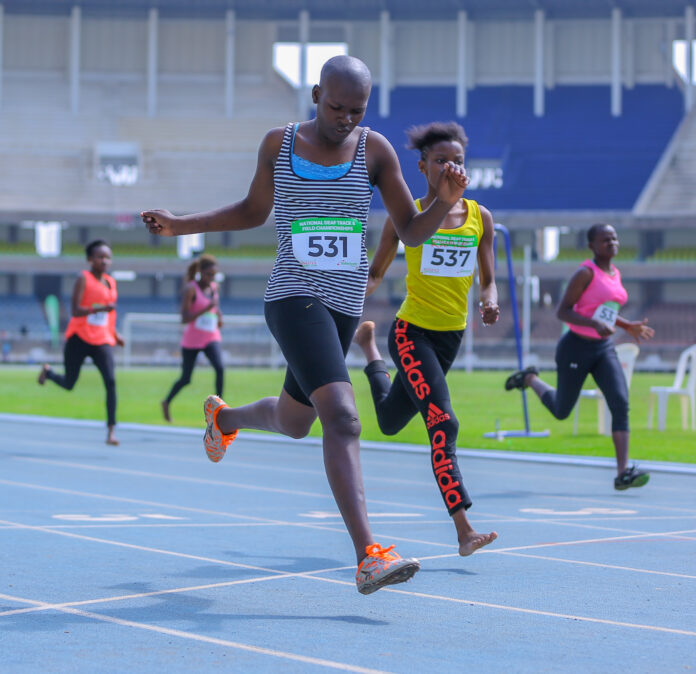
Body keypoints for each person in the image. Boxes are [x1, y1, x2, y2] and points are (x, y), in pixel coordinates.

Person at [142, 55, 468, 595]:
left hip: (340, 309)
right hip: (294, 298)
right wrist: (183, 224)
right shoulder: (280, 143)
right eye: (337, 106)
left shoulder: (375, 150)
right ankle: (369, 554)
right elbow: (253, 211)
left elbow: (411, 231)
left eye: (356, 110)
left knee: (297, 422)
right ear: (317, 94)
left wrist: (441, 201)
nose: (345, 118)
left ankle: (224, 419)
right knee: (342, 417)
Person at [354, 121, 499, 557]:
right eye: (440, 161)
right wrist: (342, 306)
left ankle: (368, 350)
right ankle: (464, 529)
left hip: (450, 338)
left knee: (391, 420)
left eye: (456, 160)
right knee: (443, 422)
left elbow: (487, 280)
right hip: (412, 332)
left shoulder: (480, 218)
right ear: (422, 167)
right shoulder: (407, 217)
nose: (449, 167)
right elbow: (376, 274)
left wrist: (489, 302)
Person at [504, 223, 654, 490]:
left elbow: (601, 309)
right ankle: (530, 378)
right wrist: (592, 324)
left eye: (615, 238)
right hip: (575, 347)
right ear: (592, 246)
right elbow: (563, 311)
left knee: (620, 403)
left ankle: (622, 473)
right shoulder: (585, 273)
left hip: (603, 349)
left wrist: (626, 325)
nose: (612, 243)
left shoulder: (615, 273)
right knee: (562, 411)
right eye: (605, 240)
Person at [38, 239, 124, 445]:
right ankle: (48, 373)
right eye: (100, 257)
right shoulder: (83, 279)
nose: (104, 261)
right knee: (69, 383)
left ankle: (111, 431)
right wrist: (98, 309)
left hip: (102, 339)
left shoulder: (111, 282)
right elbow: (75, 310)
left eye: (107, 257)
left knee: (111, 382)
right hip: (79, 337)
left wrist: (115, 333)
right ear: (90, 260)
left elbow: (110, 315)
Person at [162, 255, 224, 423]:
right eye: (209, 274)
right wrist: (205, 309)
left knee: (220, 368)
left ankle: (220, 410)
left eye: (214, 275)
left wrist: (218, 315)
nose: (211, 278)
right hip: (193, 339)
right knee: (186, 378)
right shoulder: (191, 288)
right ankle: (166, 402)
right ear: (201, 272)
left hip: (211, 336)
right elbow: (184, 317)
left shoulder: (214, 287)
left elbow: (215, 306)